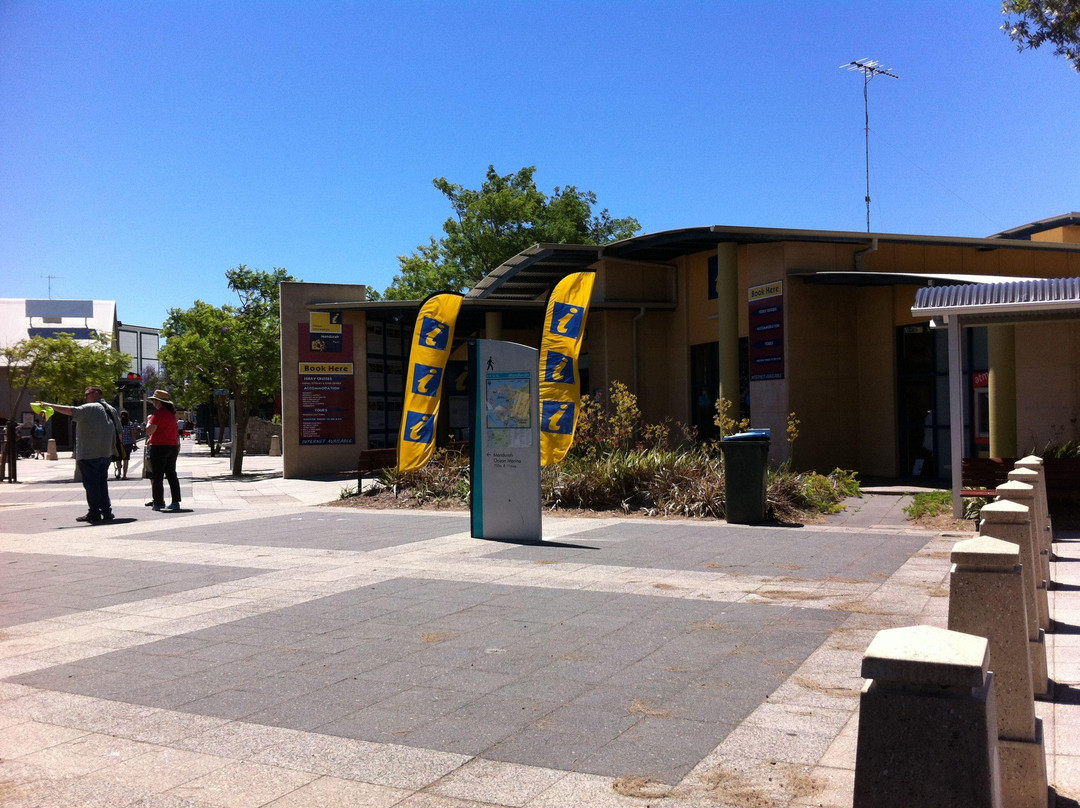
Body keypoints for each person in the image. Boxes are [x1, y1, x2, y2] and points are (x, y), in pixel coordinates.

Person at [33, 387, 122, 523]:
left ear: (95, 394)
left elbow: (70, 410)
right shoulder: (111, 409)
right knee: (102, 483)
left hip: (89, 453)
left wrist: (49, 405)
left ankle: (94, 513)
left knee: (91, 485)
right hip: (106, 453)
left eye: (87, 394)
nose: (85, 397)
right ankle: (106, 511)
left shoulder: (89, 407)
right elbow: (119, 431)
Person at [146, 389, 182, 512]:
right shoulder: (172, 415)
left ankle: (157, 502)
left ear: (158, 402)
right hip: (172, 447)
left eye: (153, 400)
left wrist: (148, 422)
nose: (153, 403)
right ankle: (176, 501)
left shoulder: (158, 414)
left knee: (157, 476)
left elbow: (149, 430)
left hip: (159, 447)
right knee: (172, 474)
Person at [116, 410, 137, 480]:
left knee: (118, 459)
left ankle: (119, 473)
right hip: (128, 444)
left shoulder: (117, 424)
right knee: (126, 459)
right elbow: (133, 434)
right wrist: (135, 443)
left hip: (119, 444)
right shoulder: (130, 424)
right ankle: (124, 475)